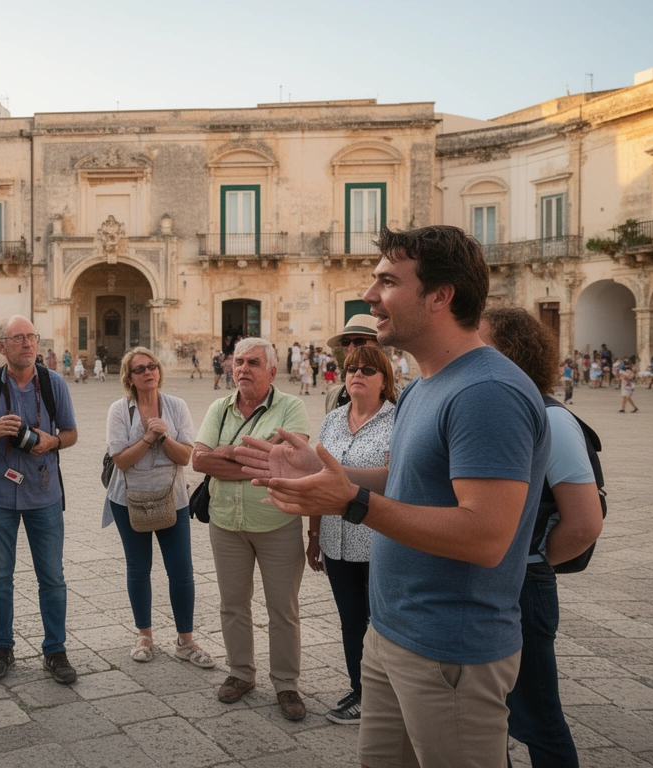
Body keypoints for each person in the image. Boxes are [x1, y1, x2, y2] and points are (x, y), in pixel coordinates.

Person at [236, 226, 549, 767]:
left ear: (440, 295)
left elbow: (486, 536)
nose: (371, 296)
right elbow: (408, 479)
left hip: (449, 651)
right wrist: (328, 470)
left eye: (386, 281)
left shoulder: (487, 393)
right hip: (390, 635)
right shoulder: (429, 385)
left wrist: (351, 503)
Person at [479, 307, 602, 768]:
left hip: (525, 585)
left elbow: (585, 522)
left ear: (511, 353)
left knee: (537, 718)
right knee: (497, 714)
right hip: (497, 579)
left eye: (482, 343)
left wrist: (533, 559)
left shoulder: (552, 419)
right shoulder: (508, 409)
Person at [191, 337, 311, 721]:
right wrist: (251, 456)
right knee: (232, 604)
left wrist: (222, 452)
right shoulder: (219, 407)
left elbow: (286, 463)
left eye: (253, 363)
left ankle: (286, 683)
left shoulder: (291, 407)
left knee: (283, 608)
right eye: (238, 361)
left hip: (277, 521)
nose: (242, 369)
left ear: (272, 371)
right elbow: (198, 461)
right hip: (226, 523)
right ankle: (241, 673)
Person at [0, 316, 80, 684]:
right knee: (0, 576)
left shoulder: (53, 383)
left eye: (31, 337)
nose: (27, 344)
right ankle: (2, 647)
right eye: (18, 338)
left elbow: (72, 433)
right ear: (1, 346)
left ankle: (55, 650)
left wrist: (52, 442)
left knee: (53, 577)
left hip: (44, 493)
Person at [104, 347, 212, 670]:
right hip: (128, 499)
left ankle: (185, 640)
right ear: (130, 378)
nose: (148, 372)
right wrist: (150, 436)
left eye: (152, 366)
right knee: (138, 569)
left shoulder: (176, 407)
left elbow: (185, 456)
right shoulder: (120, 411)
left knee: (181, 571)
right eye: (140, 369)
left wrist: (162, 438)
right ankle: (144, 636)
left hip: (172, 498)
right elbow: (120, 460)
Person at [308, 344, 396, 726]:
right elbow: (317, 480)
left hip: (378, 540)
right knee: (350, 620)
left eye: (367, 370)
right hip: (335, 538)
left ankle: (383, 694)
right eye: (351, 369)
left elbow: (396, 482)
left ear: (384, 380)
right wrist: (313, 534)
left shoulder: (397, 420)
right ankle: (360, 689)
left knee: (381, 621)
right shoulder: (333, 420)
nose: (357, 374)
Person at [322, 315, 381, 413]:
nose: (350, 348)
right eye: (346, 342)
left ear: (379, 345)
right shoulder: (334, 395)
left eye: (359, 341)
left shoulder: (399, 397)